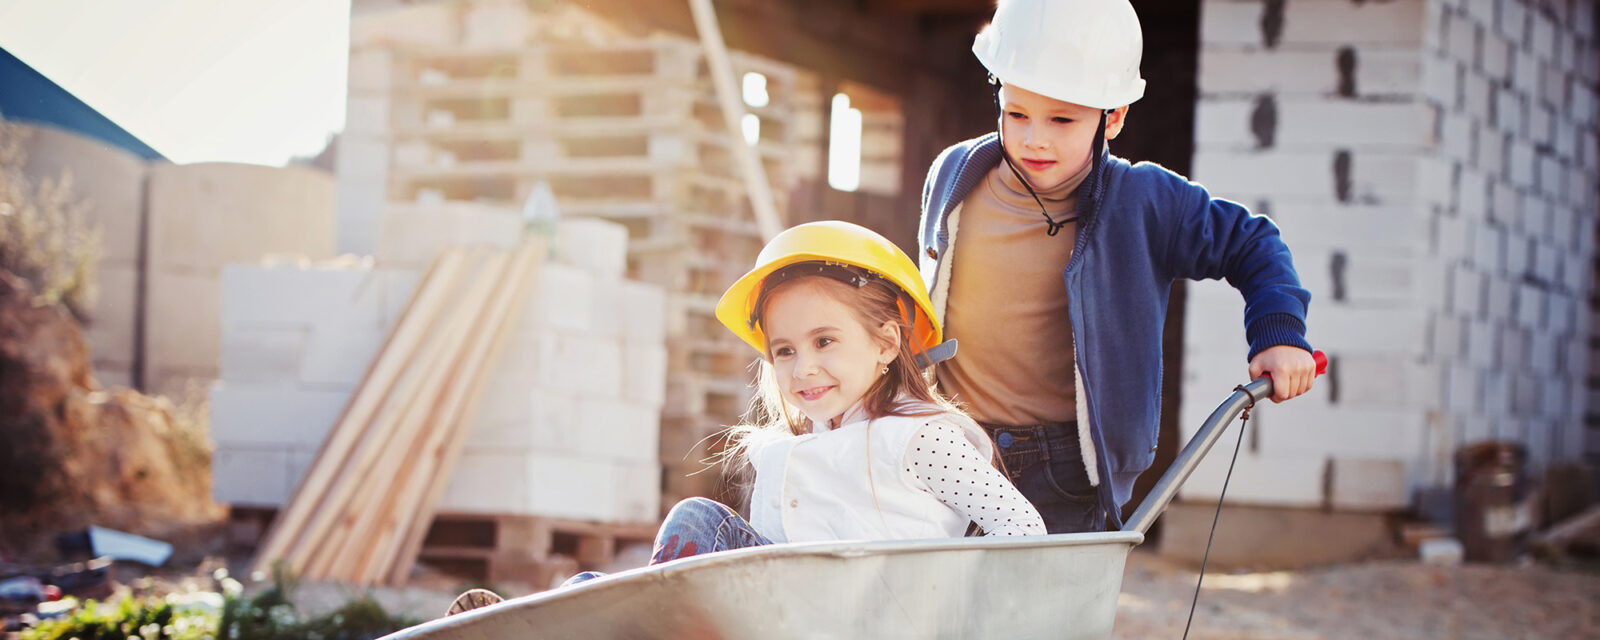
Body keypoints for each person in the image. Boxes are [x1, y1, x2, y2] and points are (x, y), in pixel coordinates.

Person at [448, 221, 1043, 612]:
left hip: (877, 615)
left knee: (701, 520)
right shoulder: (792, 449)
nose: (803, 368)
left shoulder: (920, 439)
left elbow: (1023, 534)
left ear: (887, 343)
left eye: (825, 341)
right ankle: (546, 618)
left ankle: (603, 620)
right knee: (686, 532)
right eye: (785, 351)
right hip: (785, 612)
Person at [918, 0, 1318, 534]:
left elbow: (1254, 243)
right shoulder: (953, 174)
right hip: (951, 441)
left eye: (1062, 119)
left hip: (1060, 466)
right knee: (941, 609)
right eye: (1017, 113)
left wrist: (1280, 334)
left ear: (1114, 117)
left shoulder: (1143, 200)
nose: (1035, 137)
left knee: (1042, 613)